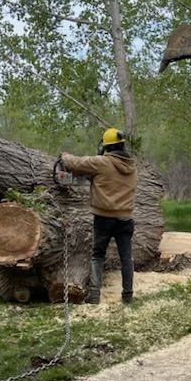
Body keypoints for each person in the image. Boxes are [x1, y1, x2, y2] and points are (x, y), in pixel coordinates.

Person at [60, 128, 137, 305]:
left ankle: (94, 295)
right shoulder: (132, 166)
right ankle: (128, 295)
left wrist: (65, 157)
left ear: (106, 146)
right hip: (126, 218)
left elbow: (78, 163)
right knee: (126, 257)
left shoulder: (102, 162)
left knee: (98, 255)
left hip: (104, 218)